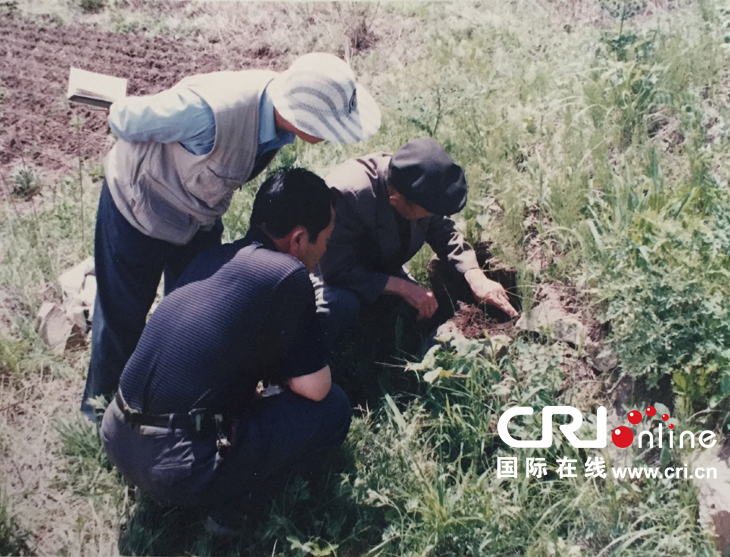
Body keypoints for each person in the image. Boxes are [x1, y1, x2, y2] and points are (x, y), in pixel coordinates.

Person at [82, 53, 381, 419]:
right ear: (306, 118)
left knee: (194, 312)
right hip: (138, 206)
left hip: (196, 217)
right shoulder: (209, 112)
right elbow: (125, 119)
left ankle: (173, 408)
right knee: (122, 319)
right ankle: (99, 416)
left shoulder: (278, 117)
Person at [100, 168, 351, 532]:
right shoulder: (287, 274)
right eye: (325, 238)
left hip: (117, 432)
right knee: (333, 409)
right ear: (298, 239)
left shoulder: (212, 258)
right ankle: (238, 503)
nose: (326, 248)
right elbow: (316, 388)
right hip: (176, 467)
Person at [314, 138, 518, 354]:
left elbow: (444, 231)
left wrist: (476, 276)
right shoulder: (346, 195)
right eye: (428, 213)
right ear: (396, 199)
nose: (432, 216)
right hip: (325, 273)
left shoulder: (418, 186)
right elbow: (335, 270)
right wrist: (403, 287)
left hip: (379, 268)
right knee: (339, 307)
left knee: (421, 316)